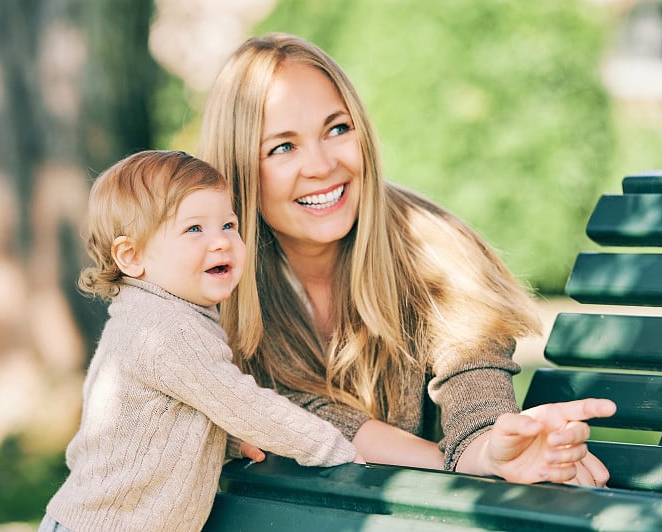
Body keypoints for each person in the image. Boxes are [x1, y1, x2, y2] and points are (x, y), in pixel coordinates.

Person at [198, 33, 617, 487]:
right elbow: (269, 407)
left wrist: (491, 451)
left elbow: (475, 392)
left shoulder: (434, 247)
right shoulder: (208, 274)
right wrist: (450, 462)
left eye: (337, 128)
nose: (321, 165)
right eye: (283, 147)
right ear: (240, 169)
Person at [39, 150, 360, 532]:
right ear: (131, 255)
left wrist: (217, 443)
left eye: (228, 224)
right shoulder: (163, 328)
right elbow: (242, 403)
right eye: (194, 229)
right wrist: (330, 448)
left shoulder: (153, 316)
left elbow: (151, 422)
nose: (221, 242)